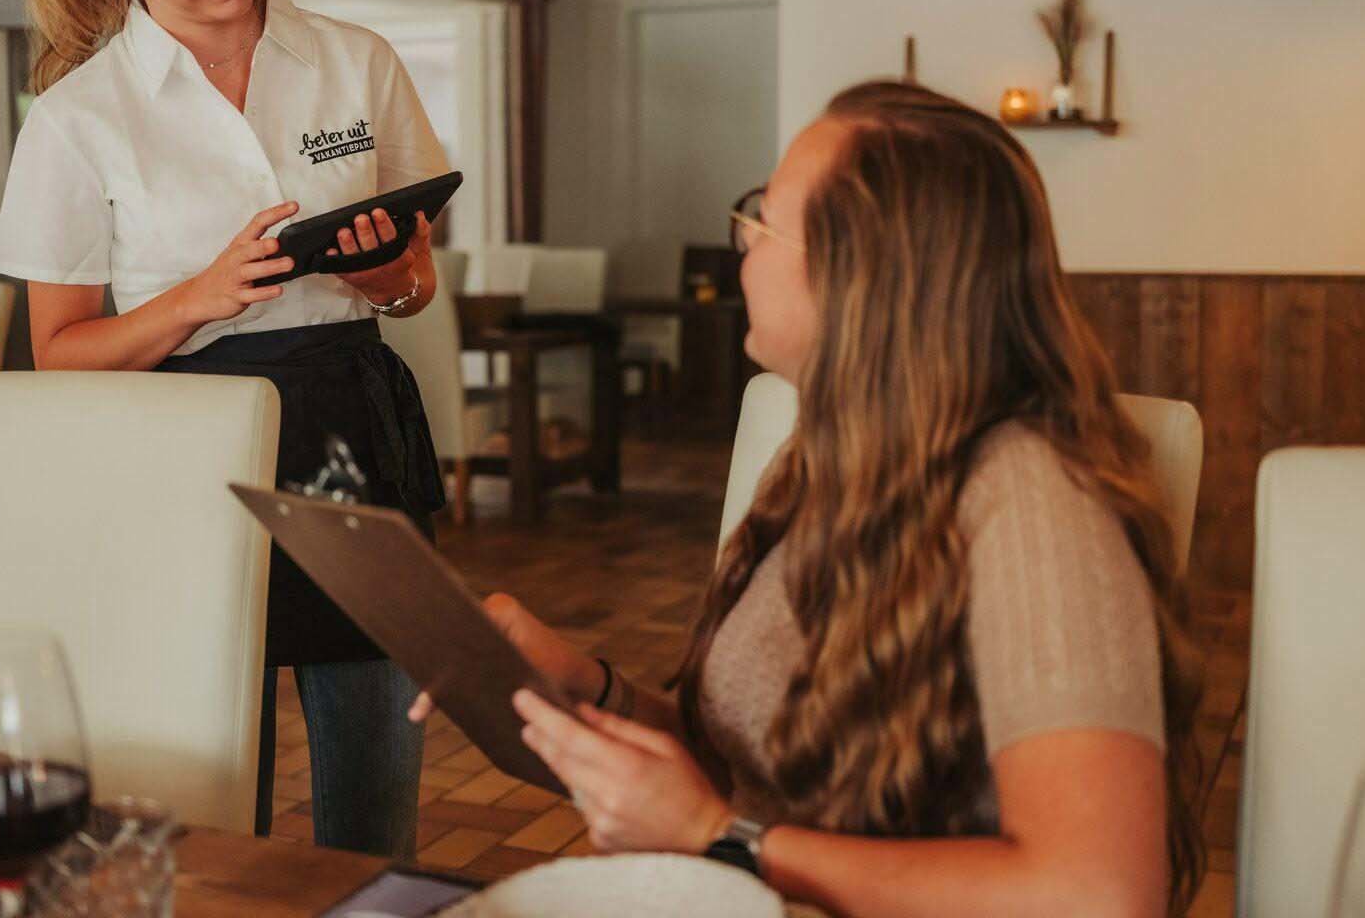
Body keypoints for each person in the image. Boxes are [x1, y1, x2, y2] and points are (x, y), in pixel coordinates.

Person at [415, 81, 1204, 916]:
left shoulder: (1033, 504)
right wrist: (581, 687)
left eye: (763, 219)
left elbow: (1098, 895)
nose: (741, 246)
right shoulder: (819, 463)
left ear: (866, 273)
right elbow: (750, 771)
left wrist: (718, 838)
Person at [0, 0, 450, 858]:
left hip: (353, 435)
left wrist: (391, 280)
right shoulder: (76, 119)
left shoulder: (357, 61)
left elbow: (416, 284)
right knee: (204, 807)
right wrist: (199, 297)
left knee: (376, 795)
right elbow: (60, 357)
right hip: (180, 460)